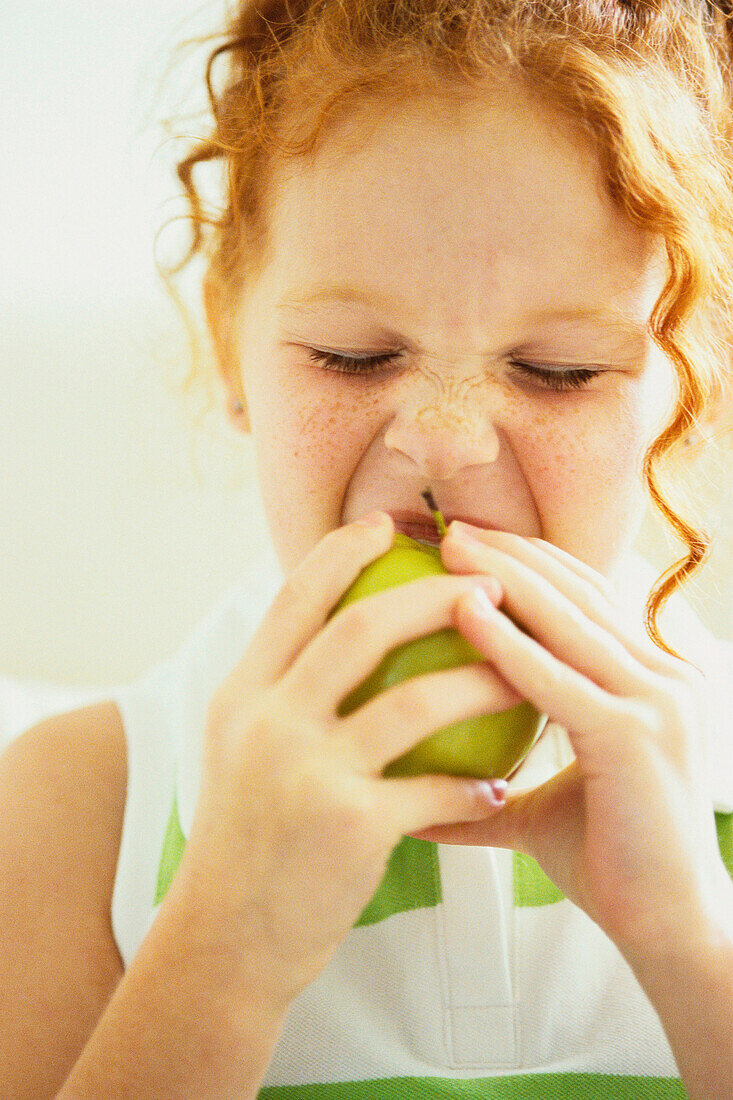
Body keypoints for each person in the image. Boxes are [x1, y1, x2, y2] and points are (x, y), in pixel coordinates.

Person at [2, 0, 733, 1096]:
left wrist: (692, 951)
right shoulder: (81, 804)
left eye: (561, 368)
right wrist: (224, 952)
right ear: (229, 344)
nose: (442, 436)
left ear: (694, 379)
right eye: (350, 355)